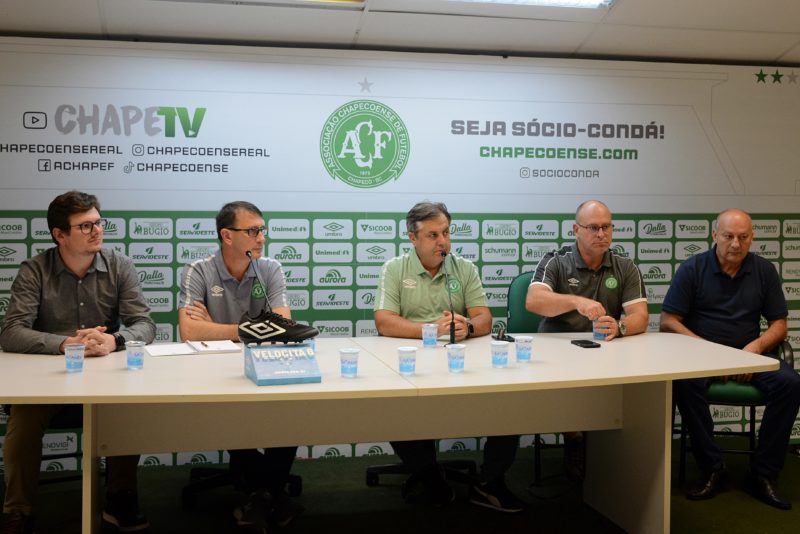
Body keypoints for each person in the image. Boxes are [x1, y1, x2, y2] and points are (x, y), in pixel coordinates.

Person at [0, 191, 156, 534]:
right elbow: (10, 332)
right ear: (60, 235)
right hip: (48, 380)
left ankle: (120, 497)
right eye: (85, 226)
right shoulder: (34, 270)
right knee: (24, 420)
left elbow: (145, 324)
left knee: (127, 410)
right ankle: (18, 510)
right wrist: (65, 344)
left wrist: (113, 340)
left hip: (106, 377)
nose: (96, 230)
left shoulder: (120, 265)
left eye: (98, 222)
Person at [374, 201, 524, 513]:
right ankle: (428, 474)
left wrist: (467, 327)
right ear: (413, 238)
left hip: (461, 360)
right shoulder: (395, 268)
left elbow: (484, 318)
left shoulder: (464, 268)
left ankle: (491, 482)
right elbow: (384, 321)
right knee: (391, 404)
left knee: (510, 397)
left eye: (445, 233)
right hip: (411, 364)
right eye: (432, 235)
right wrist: (431, 330)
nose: (443, 241)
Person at [178, 201, 315, 531]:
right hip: (214, 370)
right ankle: (272, 493)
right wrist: (249, 329)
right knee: (225, 412)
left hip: (266, 363)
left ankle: (260, 494)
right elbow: (189, 331)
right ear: (226, 235)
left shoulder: (269, 268)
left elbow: (282, 325)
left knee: (290, 408)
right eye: (252, 231)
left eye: (262, 230)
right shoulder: (199, 270)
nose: (261, 238)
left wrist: (222, 329)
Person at [661, 208, 800, 510]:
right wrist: (710, 355)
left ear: (751, 238)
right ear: (715, 236)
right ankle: (712, 467)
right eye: (728, 236)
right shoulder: (693, 268)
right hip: (702, 359)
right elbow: (669, 320)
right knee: (684, 384)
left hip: (749, 356)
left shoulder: (763, 271)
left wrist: (755, 349)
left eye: (743, 237)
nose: (736, 244)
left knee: (790, 384)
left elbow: (779, 324)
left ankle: (763, 473)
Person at [525, 200, 648, 480]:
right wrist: (576, 301)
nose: (601, 234)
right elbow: (533, 301)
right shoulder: (556, 260)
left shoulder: (625, 266)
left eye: (606, 227)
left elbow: (640, 315)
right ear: (576, 230)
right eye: (593, 227)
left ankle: (613, 449)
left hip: (604, 354)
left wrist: (620, 327)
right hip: (558, 355)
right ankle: (575, 439)